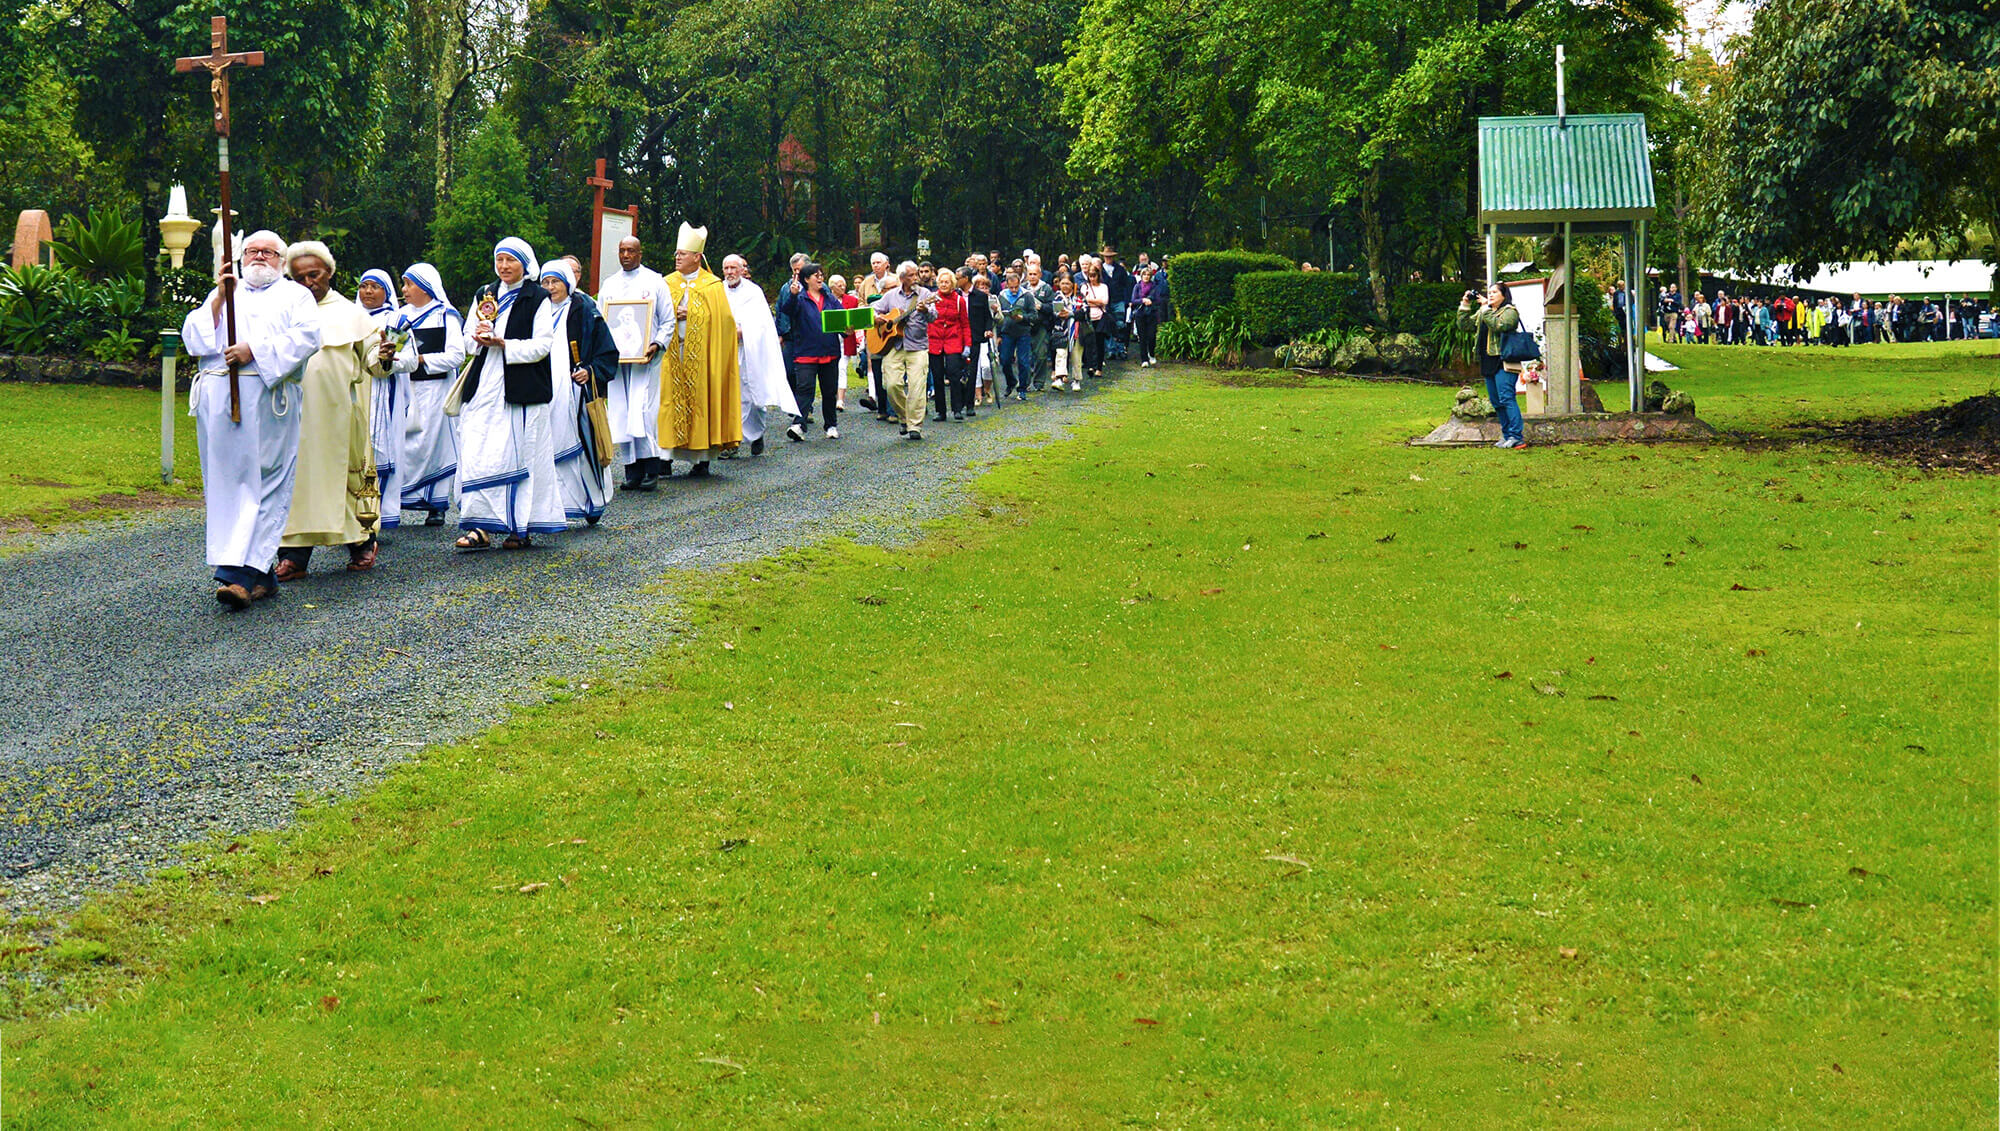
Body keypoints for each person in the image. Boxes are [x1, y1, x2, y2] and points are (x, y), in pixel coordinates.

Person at [181, 229, 322, 607]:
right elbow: (193, 337)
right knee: (228, 485)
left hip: (267, 403)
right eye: (252, 251)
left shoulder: (296, 296)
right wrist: (218, 301)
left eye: (269, 252)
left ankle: (237, 577)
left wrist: (253, 351)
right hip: (219, 404)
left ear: (282, 259)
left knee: (263, 485)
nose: (259, 257)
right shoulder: (227, 290)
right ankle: (261, 576)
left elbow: (309, 338)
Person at [274, 240, 382, 580]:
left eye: (315, 274)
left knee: (345, 478)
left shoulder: (352, 314)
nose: (309, 282)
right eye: (300, 277)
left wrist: (388, 355)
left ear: (330, 273)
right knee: (296, 483)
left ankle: (362, 543)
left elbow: (375, 360)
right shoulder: (283, 313)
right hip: (292, 415)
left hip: (339, 416)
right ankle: (293, 556)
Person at [454, 237, 563, 550]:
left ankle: (520, 525)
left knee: (519, 452)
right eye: (500, 260)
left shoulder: (537, 297)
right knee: (479, 448)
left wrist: (505, 345)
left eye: (511, 261)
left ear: (525, 264)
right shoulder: (484, 294)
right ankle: (478, 525)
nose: (504, 267)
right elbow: (467, 338)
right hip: (484, 382)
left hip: (520, 385)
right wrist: (477, 339)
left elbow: (543, 344)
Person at [537, 260, 619, 525]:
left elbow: (606, 350)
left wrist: (591, 371)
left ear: (567, 284)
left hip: (575, 390)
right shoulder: (537, 312)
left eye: (555, 282)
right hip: (545, 389)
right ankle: (558, 506)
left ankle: (591, 501)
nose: (550, 288)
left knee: (581, 447)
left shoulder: (583, 310)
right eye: (545, 283)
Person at [383, 263, 463, 525]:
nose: (404, 290)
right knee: (405, 442)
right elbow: (392, 349)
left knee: (434, 444)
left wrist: (420, 359)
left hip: (435, 389)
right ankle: (399, 499)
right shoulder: (400, 316)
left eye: (409, 284)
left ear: (426, 287)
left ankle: (436, 503)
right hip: (407, 387)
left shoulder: (445, 315)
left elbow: (456, 355)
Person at [658, 223, 741, 475]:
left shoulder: (712, 285)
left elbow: (723, 323)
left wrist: (691, 314)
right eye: (676, 254)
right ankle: (664, 457)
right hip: (670, 356)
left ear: (697, 257)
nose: (677, 258)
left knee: (701, 400)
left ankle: (701, 459)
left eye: (682, 254)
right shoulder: (665, 283)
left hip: (701, 357)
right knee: (667, 401)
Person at [597, 235, 674, 491]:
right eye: (622, 251)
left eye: (631, 251)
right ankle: (632, 470)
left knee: (642, 410)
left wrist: (658, 343)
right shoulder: (609, 285)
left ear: (640, 254)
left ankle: (651, 466)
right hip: (619, 362)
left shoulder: (654, 281)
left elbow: (668, 320)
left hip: (646, 360)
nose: (626, 255)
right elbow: (602, 322)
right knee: (621, 410)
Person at [722, 254, 798, 453]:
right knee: (728, 397)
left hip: (749, 351)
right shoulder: (717, 290)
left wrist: (742, 331)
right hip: (725, 351)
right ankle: (732, 441)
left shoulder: (754, 292)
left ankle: (755, 434)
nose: (730, 272)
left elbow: (762, 324)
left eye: (733, 268)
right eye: (726, 268)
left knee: (752, 395)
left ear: (742, 270)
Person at [356, 270, 405, 531]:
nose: (368, 292)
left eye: (375, 286)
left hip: (383, 390)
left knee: (381, 449)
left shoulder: (396, 320)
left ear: (387, 291)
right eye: (364, 286)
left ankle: (381, 514)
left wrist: (388, 359)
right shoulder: (350, 318)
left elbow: (408, 357)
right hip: (354, 388)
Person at [776, 260, 844, 439]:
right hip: (806, 352)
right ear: (806, 279)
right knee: (804, 388)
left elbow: (841, 319)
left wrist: (847, 329)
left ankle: (831, 425)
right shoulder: (798, 298)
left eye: (822, 275)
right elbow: (787, 311)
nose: (821, 278)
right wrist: (792, 295)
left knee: (829, 390)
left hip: (829, 351)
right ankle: (799, 424)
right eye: (817, 275)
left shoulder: (830, 298)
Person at [869, 260, 937, 439]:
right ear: (902, 278)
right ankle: (904, 417)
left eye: (916, 274)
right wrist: (877, 318)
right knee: (891, 385)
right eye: (911, 275)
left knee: (917, 387)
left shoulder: (925, 294)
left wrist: (925, 311)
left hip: (917, 345)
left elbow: (934, 316)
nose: (916, 278)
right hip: (894, 345)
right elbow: (872, 309)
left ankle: (915, 426)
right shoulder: (891, 295)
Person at [1459, 282, 1527, 450]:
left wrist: (1485, 309)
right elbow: (1465, 325)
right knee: (1496, 402)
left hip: (1504, 360)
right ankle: (1506, 435)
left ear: (1504, 295)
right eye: (1489, 292)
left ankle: (1517, 437)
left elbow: (1499, 326)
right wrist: (1465, 303)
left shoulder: (1510, 311)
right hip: (1488, 360)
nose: (1490, 295)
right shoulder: (1485, 311)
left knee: (1507, 398)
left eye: (1495, 292)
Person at [927, 267, 972, 422]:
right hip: (935, 341)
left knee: (954, 374)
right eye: (941, 282)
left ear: (952, 284)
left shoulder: (959, 301)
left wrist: (967, 345)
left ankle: (957, 409)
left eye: (947, 282)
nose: (944, 285)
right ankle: (941, 411)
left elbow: (965, 324)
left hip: (954, 340)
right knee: (937, 376)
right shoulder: (931, 298)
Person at [996, 269, 1035, 401]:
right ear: (1006, 285)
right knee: (1005, 359)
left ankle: (1022, 388)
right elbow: (998, 317)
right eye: (1011, 287)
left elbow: (1034, 315)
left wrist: (1022, 317)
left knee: (1023, 361)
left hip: (1023, 332)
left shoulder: (1027, 295)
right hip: (1007, 332)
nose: (1013, 290)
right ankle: (1011, 381)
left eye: (1016, 287)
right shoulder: (1002, 296)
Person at [965, 270, 997, 409]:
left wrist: (995, 312)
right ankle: (977, 395)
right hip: (970, 336)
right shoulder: (967, 298)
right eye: (980, 287)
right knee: (974, 368)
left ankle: (987, 390)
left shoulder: (993, 299)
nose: (983, 289)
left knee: (986, 366)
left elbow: (996, 319)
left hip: (985, 337)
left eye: (985, 286)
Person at [828, 273, 859, 410]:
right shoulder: (826, 300)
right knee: (831, 369)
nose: (842, 287)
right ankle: (831, 395)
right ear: (832, 287)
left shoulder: (852, 300)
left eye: (844, 285)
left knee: (842, 368)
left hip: (846, 340)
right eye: (839, 285)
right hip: (830, 340)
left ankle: (840, 400)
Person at [1076, 259, 1110, 382]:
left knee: (1100, 343)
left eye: (1094, 275)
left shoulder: (1104, 287)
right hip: (1088, 317)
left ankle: (1099, 367)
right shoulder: (1085, 286)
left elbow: (1104, 301)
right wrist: (1094, 301)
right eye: (1090, 276)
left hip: (1100, 317)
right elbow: (1083, 300)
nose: (1092, 278)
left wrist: (1092, 301)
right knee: (1089, 343)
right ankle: (1090, 365)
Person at [1132, 263, 1168, 367]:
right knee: (1142, 337)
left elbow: (1159, 300)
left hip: (1152, 313)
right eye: (1144, 275)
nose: (1146, 277)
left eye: (1148, 275)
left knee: (1151, 336)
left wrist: (1151, 301)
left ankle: (1151, 354)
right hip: (1140, 314)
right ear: (1141, 276)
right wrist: (1142, 300)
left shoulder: (1154, 287)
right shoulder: (1137, 286)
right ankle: (1144, 359)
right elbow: (1133, 300)